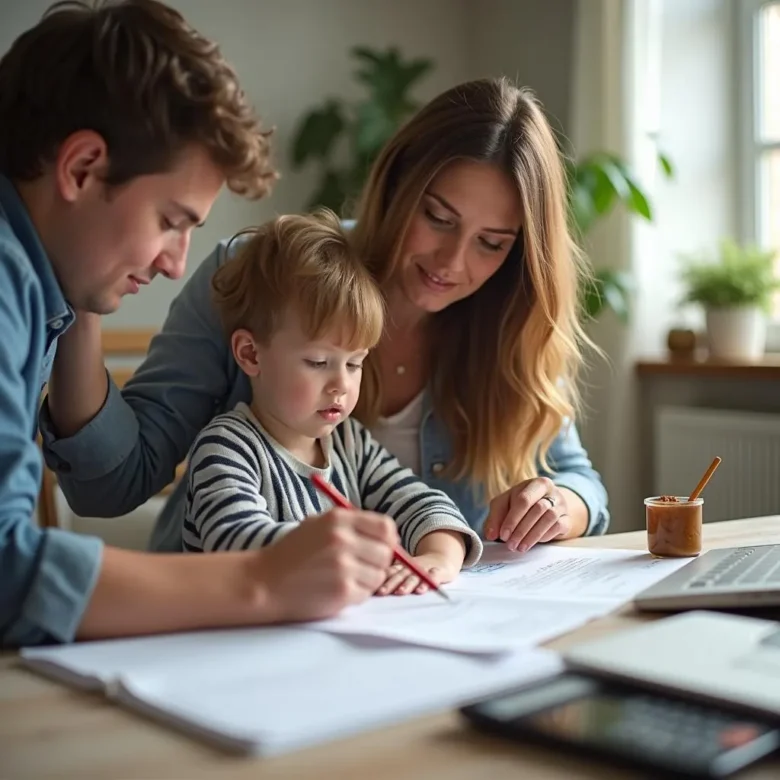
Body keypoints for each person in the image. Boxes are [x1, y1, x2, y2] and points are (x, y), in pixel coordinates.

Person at [43, 78, 610, 568]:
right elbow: (113, 483)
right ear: (397, 182)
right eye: (438, 218)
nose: (452, 262)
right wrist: (83, 295)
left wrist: (557, 504)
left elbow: (581, 482)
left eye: (491, 243)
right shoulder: (259, 275)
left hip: (415, 624)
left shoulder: (509, 320)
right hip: (228, 625)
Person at [0, 0, 400, 649]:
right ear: (80, 168)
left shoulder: (35, 286)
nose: (173, 263)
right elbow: (7, 570)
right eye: (170, 221)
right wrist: (263, 580)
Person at [184, 209, 482, 595]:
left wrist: (438, 556)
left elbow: (420, 503)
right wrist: (343, 548)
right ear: (251, 354)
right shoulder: (226, 449)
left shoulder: (350, 444)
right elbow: (234, 540)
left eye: (356, 363)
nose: (341, 384)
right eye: (318, 362)